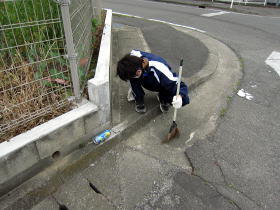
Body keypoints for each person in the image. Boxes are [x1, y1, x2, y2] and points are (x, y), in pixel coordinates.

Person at [117, 49, 190, 113]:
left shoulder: (160, 70)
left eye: (136, 73)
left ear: (138, 71)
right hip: (143, 74)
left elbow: (180, 85)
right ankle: (138, 98)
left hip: (157, 81)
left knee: (184, 99)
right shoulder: (132, 60)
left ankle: (164, 98)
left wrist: (180, 96)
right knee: (133, 81)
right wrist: (132, 78)